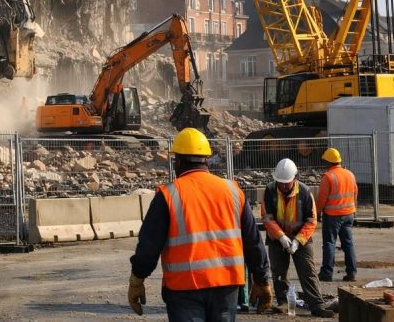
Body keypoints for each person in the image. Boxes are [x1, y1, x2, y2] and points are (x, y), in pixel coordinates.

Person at [128, 128, 273, 321]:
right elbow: (253, 241)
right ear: (206, 159)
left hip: (184, 288)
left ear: (177, 161)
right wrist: (262, 279)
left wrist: (137, 279)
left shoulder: (168, 195)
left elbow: (149, 245)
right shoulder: (232, 191)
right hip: (226, 285)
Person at [262, 158, 333, 317]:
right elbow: (267, 218)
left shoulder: (305, 192)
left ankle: (316, 305)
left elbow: (311, 220)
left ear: (295, 177)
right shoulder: (270, 190)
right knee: (279, 271)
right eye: (281, 182)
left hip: (301, 237)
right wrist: (280, 237)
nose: (284, 185)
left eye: (287, 182)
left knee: (308, 271)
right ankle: (283, 302)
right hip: (277, 237)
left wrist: (297, 241)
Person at [316, 147, 358, 282]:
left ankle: (326, 273)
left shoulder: (328, 177)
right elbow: (355, 193)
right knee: (348, 243)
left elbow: (322, 198)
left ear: (328, 162)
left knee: (329, 243)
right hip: (349, 214)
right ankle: (351, 272)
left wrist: (317, 212)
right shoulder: (350, 174)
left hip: (333, 216)